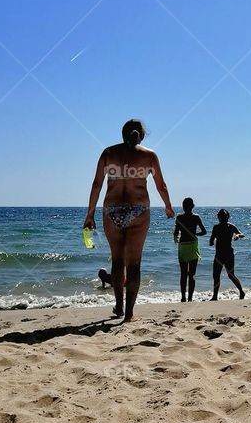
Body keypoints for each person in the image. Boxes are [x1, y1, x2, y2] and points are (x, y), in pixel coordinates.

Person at [83, 119, 174, 322]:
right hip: (139, 210)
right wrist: (168, 206)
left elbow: (97, 184)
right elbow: (162, 186)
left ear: (122, 134)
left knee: (117, 261)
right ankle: (130, 314)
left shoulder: (108, 153)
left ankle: (119, 306)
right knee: (134, 264)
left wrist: (89, 214)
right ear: (141, 135)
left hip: (112, 211)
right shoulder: (149, 156)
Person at [173, 197, 206, 302]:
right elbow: (204, 231)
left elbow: (176, 232)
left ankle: (183, 297)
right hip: (193, 245)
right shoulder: (196, 217)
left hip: (183, 245)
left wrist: (176, 239)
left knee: (183, 274)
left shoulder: (179, 217)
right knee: (192, 274)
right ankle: (190, 298)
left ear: (183, 207)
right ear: (193, 206)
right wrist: (196, 234)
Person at [209, 208, 245, 300]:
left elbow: (242, 234)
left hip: (229, 254)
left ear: (228, 217)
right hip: (218, 255)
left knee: (231, 275)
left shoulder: (231, 226)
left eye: (224, 216)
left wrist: (237, 235)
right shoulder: (216, 227)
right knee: (216, 275)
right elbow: (211, 240)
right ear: (218, 218)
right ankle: (215, 296)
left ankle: (241, 291)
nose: (223, 218)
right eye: (221, 217)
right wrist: (212, 242)